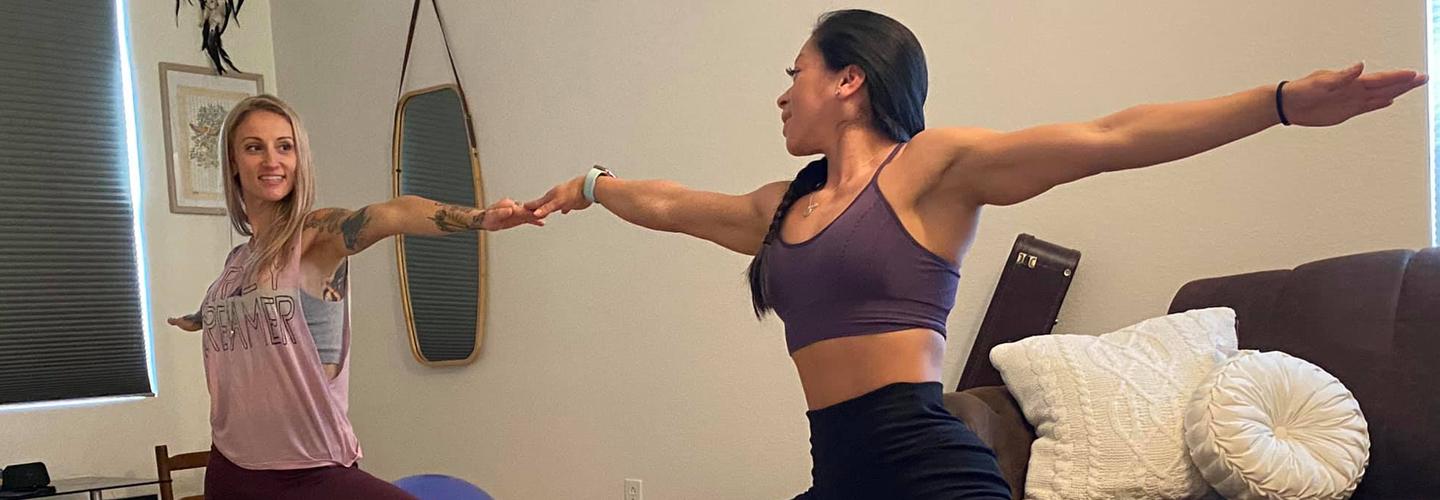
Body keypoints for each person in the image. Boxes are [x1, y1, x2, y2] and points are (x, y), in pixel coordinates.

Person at [523, 9, 1426, 499]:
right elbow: (673, 206)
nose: (782, 95)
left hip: (926, 470)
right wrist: (591, 186)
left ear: (848, 79)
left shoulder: (932, 171)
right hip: (838, 472)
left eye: (794, 73)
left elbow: (1109, 137)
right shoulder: (782, 207)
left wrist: (1277, 102)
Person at [165, 94, 538, 499]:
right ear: (234, 162)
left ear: (299, 159)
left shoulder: (313, 236)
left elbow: (391, 214)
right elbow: (237, 308)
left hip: (308, 472)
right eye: (255, 147)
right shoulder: (237, 261)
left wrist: (479, 218)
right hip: (230, 470)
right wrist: (199, 317)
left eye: (285, 147)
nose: (272, 160)